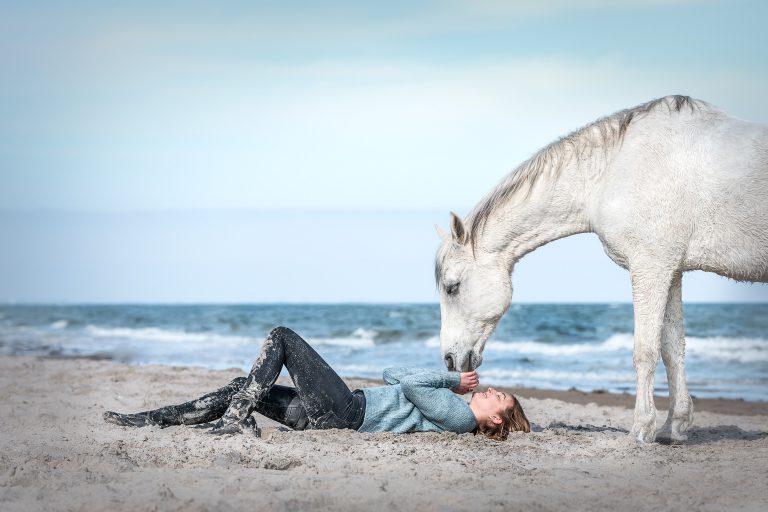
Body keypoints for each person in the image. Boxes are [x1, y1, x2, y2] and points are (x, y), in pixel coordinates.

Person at [103, 327, 530, 440]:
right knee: (242, 386)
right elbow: (393, 376)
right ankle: (156, 419)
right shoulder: (453, 404)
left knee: (284, 337)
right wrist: (448, 381)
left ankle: (234, 420)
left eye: (498, 399)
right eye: (495, 390)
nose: (490, 391)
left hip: (348, 412)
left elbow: (415, 387)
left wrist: (453, 378)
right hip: (335, 416)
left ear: (494, 422)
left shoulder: (459, 416)